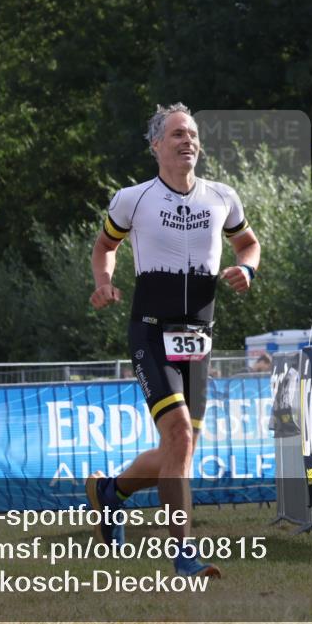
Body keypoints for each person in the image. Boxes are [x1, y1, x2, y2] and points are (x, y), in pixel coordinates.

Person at [87, 103, 261, 578]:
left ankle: (111, 492)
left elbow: (248, 243)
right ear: (156, 145)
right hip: (151, 330)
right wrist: (104, 282)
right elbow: (105, 246)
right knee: (179, 435)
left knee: (178, 451)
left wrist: (246, 269)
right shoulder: (133, 199)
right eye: (178, 133)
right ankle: (184, 555)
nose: (189, 141)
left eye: (193, 134)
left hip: (198, 338)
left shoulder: (222, 197)